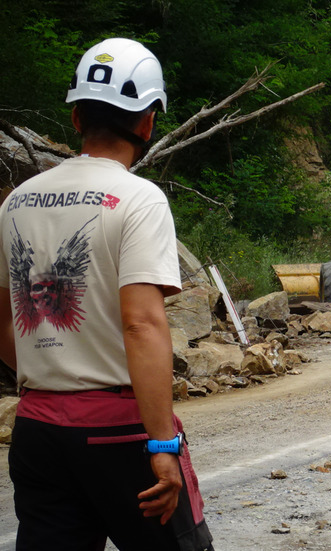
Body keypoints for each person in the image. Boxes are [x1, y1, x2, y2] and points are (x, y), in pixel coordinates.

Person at [0, 38, 214, 550]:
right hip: (119, 432)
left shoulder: (15, 203)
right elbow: (141, 323)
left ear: (76, 118)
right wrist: (161, 442)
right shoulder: (138, 199)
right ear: (147, 123)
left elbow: (4, 323)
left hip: (37, 433)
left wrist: (54, 372)